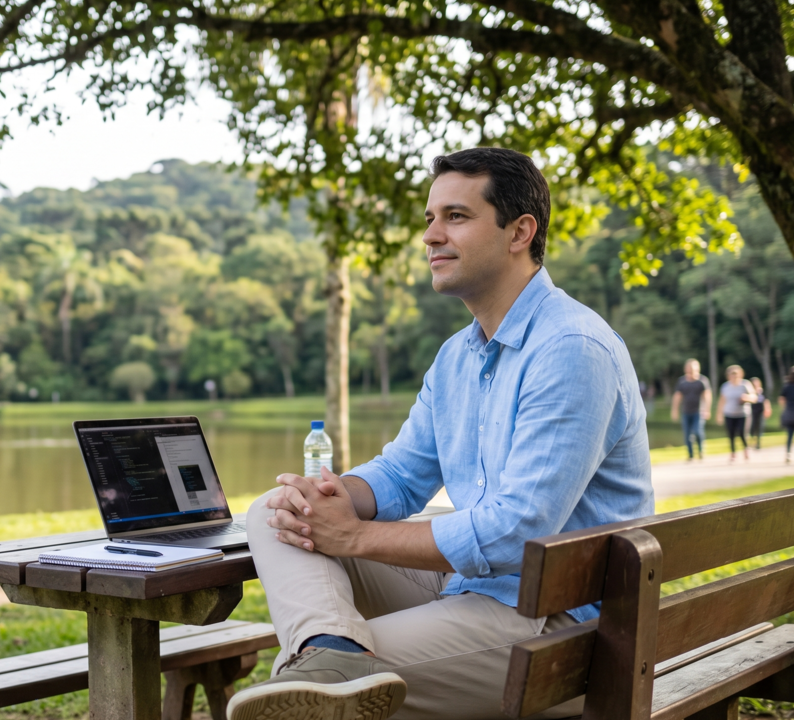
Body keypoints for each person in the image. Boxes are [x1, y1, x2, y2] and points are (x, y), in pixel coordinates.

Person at [231, 148, 653, 720]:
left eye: (455, 216)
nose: (431, 236)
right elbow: (403, 475)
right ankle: (331, 650)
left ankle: (332, 669)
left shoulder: (572, 349)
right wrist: (333, 495)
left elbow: (516, 533)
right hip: (477, 590)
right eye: (430, 219)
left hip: (560, 621)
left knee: (307, 699)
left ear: (519, 232)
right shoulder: (458, 356)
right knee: (277, 513)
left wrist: (354, 538)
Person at [670, 359, 712, 461]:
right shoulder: (682, 381)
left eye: (693, 368)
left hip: (699, 411)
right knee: (687, 434)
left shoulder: (702, 380)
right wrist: (674, 410)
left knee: (698, 431)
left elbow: (707, 396)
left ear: (697, 368)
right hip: (686, 411)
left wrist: (707, 410)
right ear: (686, 369)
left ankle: (701, 451)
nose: (690, 370)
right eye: (689, 367)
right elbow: (677, 396)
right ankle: (691, 455)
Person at [716, 365, 756, 462]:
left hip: (742, 413)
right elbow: (722, 401)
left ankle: (746, 448)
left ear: (740, 374)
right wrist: (719, 414)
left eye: (736, 375)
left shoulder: (745, 384)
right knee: (731, 434)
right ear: (728, 376)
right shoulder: (725, 386)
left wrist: (746, 397)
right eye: (731, 375)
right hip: (729, 413)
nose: (734, 377)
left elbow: (754, 398)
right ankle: (733, 453)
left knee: (741, 432)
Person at [748, 378, 771, 450]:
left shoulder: (762, 392)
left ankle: (758, 443)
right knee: (751, 428)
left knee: (759, 427)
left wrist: (767, 409)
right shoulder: (749, 391)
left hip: (760, 412)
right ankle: (750, 442)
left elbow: (766, 401)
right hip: (751, 412)